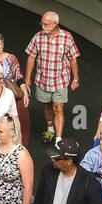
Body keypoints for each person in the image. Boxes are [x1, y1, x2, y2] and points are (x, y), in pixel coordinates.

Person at [24, 10, 81, 146]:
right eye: (42, 24)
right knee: (47, 106)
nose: (42, 27)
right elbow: (31, 57)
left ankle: (58, 139)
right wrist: (27, 78)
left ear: (55, 24)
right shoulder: (38, 37)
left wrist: (75, 79)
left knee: (58, 108)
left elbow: (73, 59)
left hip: (60, 80)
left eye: (45, 24)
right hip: (42, 80)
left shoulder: (66, 37)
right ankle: (50, 130)